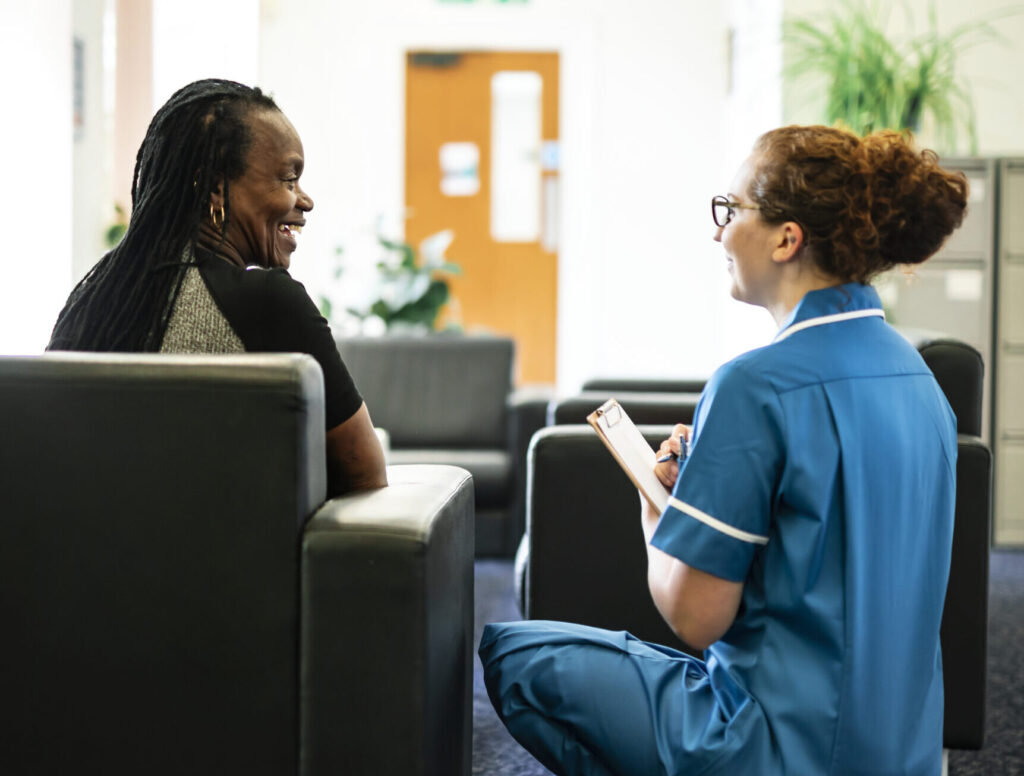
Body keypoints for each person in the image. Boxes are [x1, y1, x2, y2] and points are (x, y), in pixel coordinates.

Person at [480, 125, 968, 775]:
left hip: (774, 746)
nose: (719, 232)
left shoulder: (754, 385)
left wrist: (657, 509)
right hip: (904, 754)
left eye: (731, 210)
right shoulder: (921, 383)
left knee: (515, 655)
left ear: (786, 238)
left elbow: (694, 616)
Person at [48, 78, 386, 496]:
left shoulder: (93, 299)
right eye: (288, 179)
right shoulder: (271, 304)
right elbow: (364, 475)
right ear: (213, 187)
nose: (305, 201)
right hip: (230, 560)